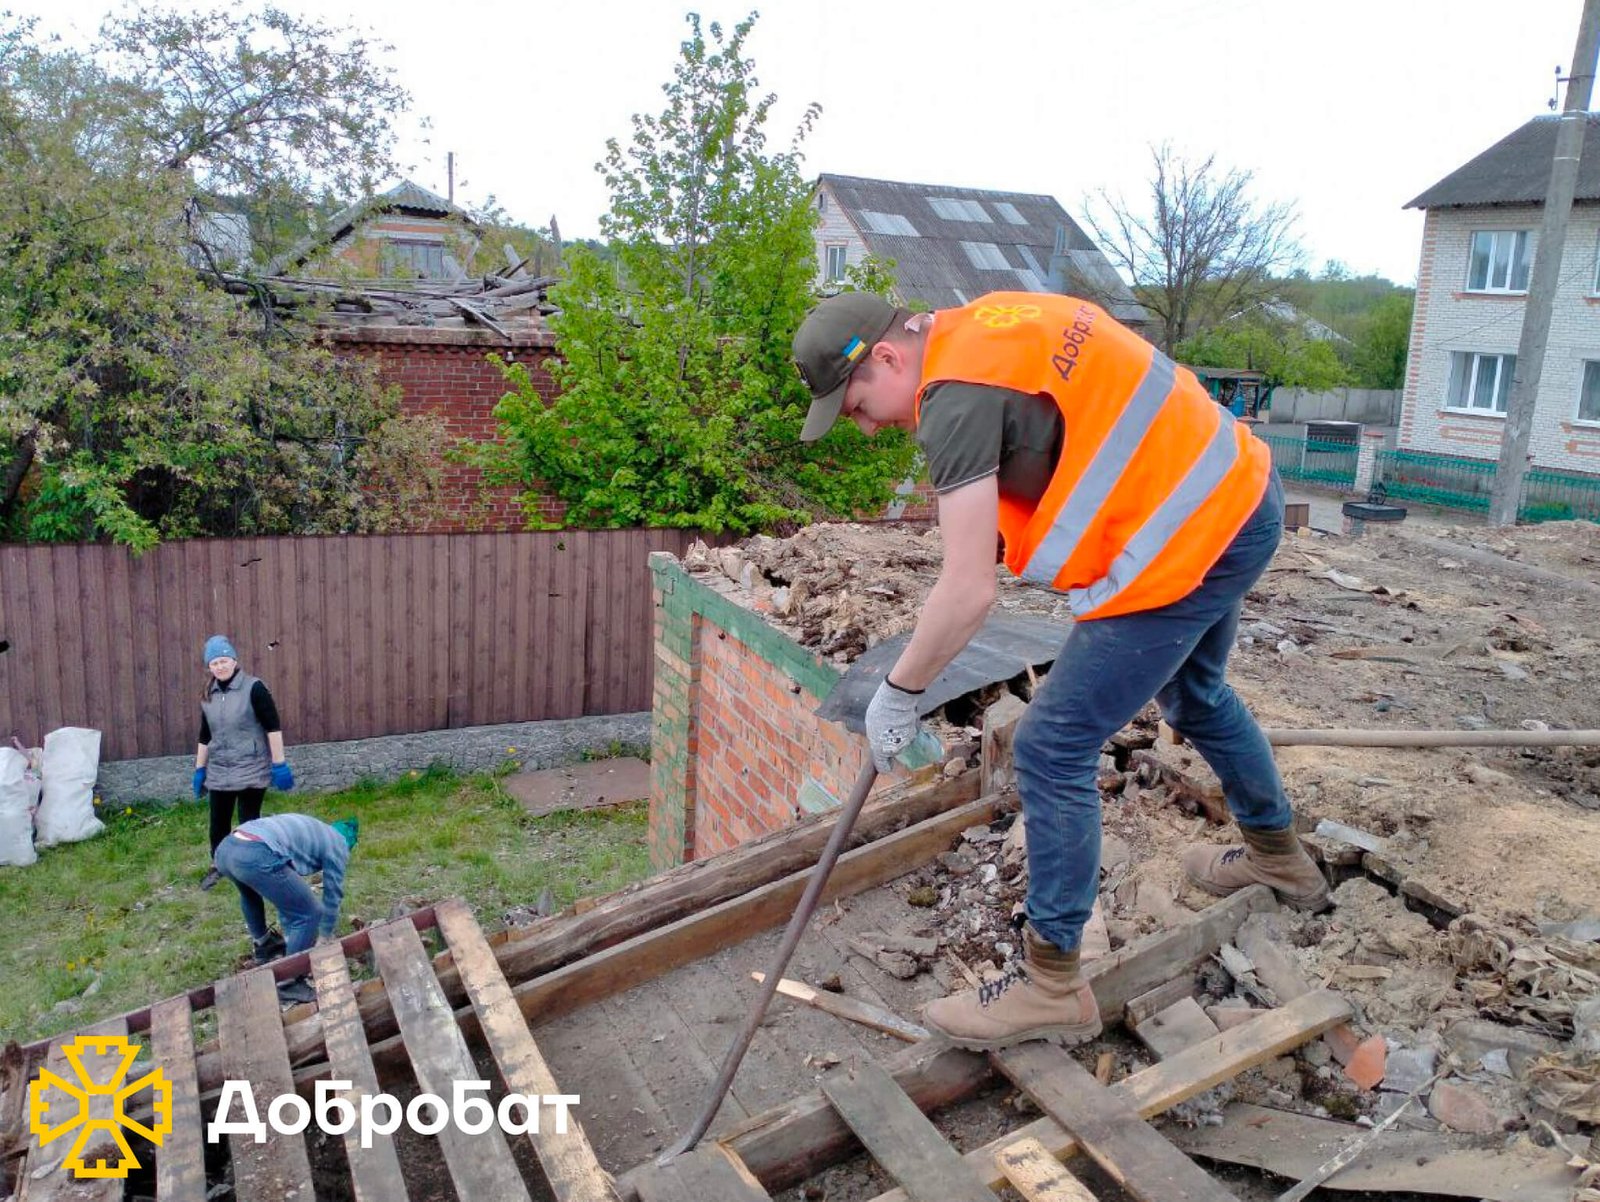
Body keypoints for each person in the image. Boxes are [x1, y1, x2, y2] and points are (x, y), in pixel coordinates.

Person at [791, 291, 1329, 1052]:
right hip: (1236, 495)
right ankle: (1281, 861)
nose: (868, 424)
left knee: (1050, 747)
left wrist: (900, 690)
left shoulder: (955, 399)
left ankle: (1051, 986)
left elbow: (970, 588)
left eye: (856, 406)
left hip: (1186, 540)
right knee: (1195, 691)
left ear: (885, 357)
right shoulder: (992, 322)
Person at [213, 812, 358, 1006]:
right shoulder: (337, 845)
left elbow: (286, 896)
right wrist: (324, 936)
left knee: (250, 894)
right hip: (253, 854)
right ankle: (288, 983)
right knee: (310, 913)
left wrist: (293, 934)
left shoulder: (313, 832)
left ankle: (265, 946)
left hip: (226, 849)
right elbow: (331, 897)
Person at [193, 635, 295, 891]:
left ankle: (250, 867)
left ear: (234, 660)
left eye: (224, 660)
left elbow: (273, 727)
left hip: (251, 767)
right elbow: (205, 735)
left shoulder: (254, 688)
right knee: (218, 823)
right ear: (209, 666)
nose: (220, 666)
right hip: (220, 770)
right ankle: (219, 865)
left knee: (249, 822)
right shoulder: (209, 694)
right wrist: (199, 769)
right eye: (214, 662)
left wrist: (279, 764)